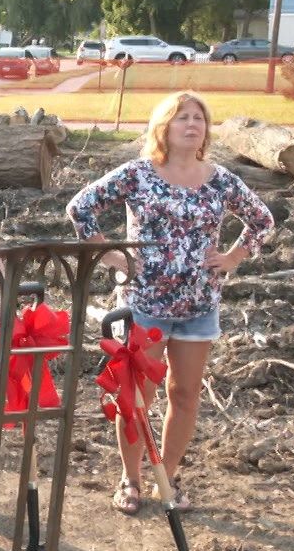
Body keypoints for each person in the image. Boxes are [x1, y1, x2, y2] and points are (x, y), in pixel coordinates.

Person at [68, 91, 274, 513]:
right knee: (137, 397)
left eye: (199, 117)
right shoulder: (139, 174)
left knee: (184, 395)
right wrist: (111, 254)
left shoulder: (218, 178)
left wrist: (234, 256)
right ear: (164, 126)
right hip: (144, 304)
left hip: (199, 306)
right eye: (182, 117)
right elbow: (81, 208)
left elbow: (262, 221)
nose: (192, 124)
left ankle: (168, 476)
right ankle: (131, 478)